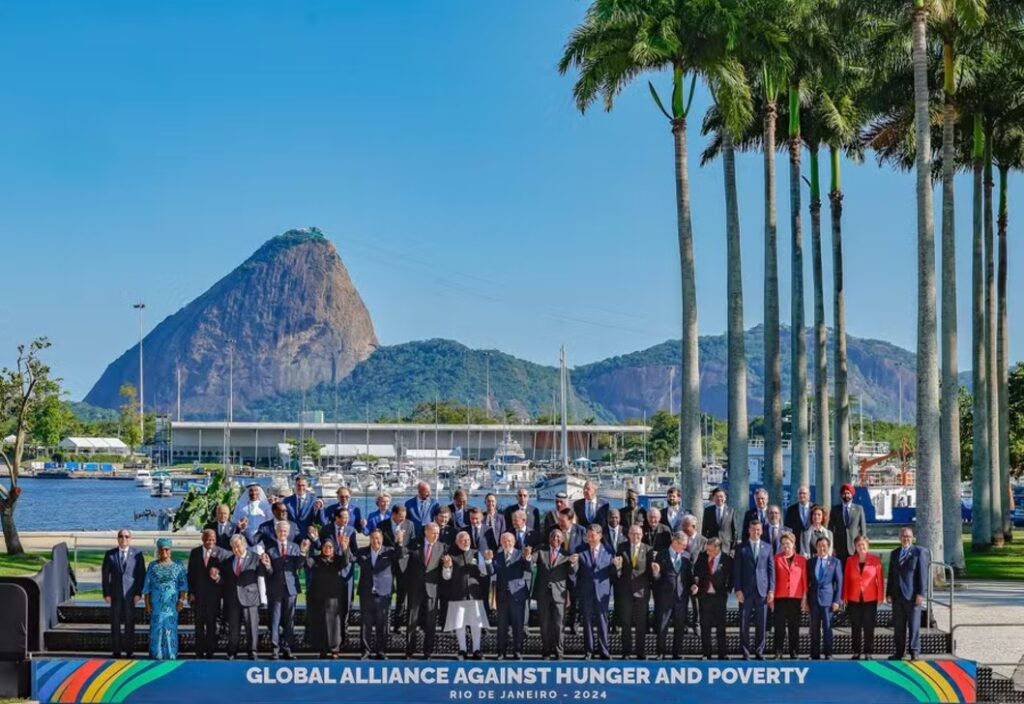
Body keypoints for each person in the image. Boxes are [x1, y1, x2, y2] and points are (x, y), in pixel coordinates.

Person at [343, 528, 405, 659]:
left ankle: (381, 651)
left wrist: (399, 542)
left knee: (382, 625)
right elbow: (351, 559)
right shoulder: (362, 552)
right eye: (373, 538)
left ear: (382, 539)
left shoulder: (389, 551)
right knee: (366, 624)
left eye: (378, 538)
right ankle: (365, 651)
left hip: (383, 594)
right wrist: (345, 547)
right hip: (366, 594)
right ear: (369, 539)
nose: (375, 541)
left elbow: (400, 555)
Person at [215, 533, 272, 660]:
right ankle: (232, 652)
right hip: (233, 599)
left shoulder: (255, 558)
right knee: (233, 628)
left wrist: (267, 565)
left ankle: (252, 651)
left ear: (245, 545)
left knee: (252, 628)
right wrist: (217, 578)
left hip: (250, 599)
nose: (236, 549)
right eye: (233, 547)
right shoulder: (229, 561)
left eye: (238, 546)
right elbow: (225, 581)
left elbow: (267, 574)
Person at [442, 531, 492, 660]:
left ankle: (476, 649)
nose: (466, 542)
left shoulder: (477, 553)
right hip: (457, 594)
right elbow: (446, 577)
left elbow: (484, 572)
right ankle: (462, 650)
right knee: (460, 623)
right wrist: (447, 567)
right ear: (457, 542)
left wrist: (487, 561)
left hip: (475, 594)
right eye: (463, 540)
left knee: (476, 623)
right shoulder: (451, 555)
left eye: (468, 539)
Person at [529, 528, 576, 660]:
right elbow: (530, 561)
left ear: (562, 539)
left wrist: (572, 564)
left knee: (559, 624)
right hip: (543, 593)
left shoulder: (567, 554)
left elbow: (572, 575)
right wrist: (527, 556)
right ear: (549, 538)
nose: (555, 539)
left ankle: (559, 652)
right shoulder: (541, 551)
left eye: (558, 537)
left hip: (559, 594)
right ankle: (546, 651)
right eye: (553, 536)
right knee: (544, 623)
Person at [403, 522, 447, 659]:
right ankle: (410, 650)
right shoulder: (414, 544)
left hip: (432, 589)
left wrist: (447, 565)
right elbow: (405, 562)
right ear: (426, 532)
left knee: (430, 622)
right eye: (434, 532)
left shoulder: (442, 547)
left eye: (438, 533)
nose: (436, 535)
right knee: (412, 620)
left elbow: (445, 570)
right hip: (415, 588)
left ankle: (428, 651)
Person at [733, 520, 775, 659]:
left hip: (762, 590)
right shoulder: (741, 548)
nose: (756, 532)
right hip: (745, 591)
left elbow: (771, 570)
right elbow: (737, 570)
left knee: (761, 622)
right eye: (753, 529)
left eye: (758, 530)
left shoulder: (768, 547)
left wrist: (771, 590)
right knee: (744, 622)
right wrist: (738, 589)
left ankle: (759, 651)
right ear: (749, 530)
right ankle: (745, 651)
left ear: (761, 531)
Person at [101, 528, 146, 658]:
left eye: (126, 536)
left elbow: (140, 575)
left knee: (129, 623)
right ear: (117, 538)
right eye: (121, 536)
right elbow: (105, 576)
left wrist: (138, 593)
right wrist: (106, 593)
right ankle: (116, 651)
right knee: (115, 623)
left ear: (130, 539)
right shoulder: (110, 555)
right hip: (115, 595)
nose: (124, 539)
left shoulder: (137, 555)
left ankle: (129, 651)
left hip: (131, 595)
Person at [187, 529, 231, 659]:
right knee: (199, 624)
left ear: (215, 539)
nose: (209, 542)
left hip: (214, 597)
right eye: (207, 539)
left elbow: (227, 578)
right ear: (202, 539)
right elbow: (190, 575)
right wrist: (191, 592)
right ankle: (199, 651)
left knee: (213, 625)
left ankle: (210, 651)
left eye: (212, 539)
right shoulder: (195, 553)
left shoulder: (223, 554)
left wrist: (217, 578)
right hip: (198, 596)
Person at [140, 538, 187, 660]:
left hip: (172, 604)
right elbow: (147, 586)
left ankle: (171, 655)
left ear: (170, 550)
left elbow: (183, 585)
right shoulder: (153, 566)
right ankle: (157, 654)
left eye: (167, 549)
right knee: (157, 628)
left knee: (170, 629)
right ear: (158, 551)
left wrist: (181, 601)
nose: (164, 552)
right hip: (156, 604)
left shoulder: (178, 565)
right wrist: (147, 603)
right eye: (161, 549)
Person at [305, 536, 352, 658]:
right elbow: (306, 563)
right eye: (325, 547)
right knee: (321, 624)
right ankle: (323, 649)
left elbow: (346, 561)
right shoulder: (316, 560)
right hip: (319, 599)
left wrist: (345, 548)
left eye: (330, 547)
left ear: (333, 549)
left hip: (334, 599)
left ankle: (335, 649)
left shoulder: (337, 560)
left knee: (334, 625)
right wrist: (304, 551)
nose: (327, 549)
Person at [266, 522, 306, 659]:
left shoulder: (295, 547)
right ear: (276, 532)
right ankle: (275, 648)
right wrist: (267, 566)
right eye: (280, 531)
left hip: (291, 588)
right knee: (275, 620)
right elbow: (269, 572)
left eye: (285, 531)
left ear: (288, 533)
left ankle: (287, 648)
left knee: (289, 620)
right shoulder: (269, 549)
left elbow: (299, 566)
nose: (282, 533)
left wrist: (303, 553)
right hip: (275, 589)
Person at [886, 527, 927, 661]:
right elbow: (891, 575)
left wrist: (921, 593)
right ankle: (899, 652)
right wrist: (889, 593)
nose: (906, 538)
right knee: (898, 626)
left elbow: (922, 574)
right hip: (897, 596)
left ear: (912, 537)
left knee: (914, 626)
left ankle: (914, 652)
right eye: (903, 536)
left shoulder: (918, 552)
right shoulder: (895, 553)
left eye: (908, 536)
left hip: (912, 596)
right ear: (900, 538)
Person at [651, 531, 694, 660]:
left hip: (681, 597)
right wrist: (656, 573)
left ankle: (677, 652)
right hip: (665, 596)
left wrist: (693, 585)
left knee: (680, 625)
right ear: (675, 542)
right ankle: (661, 652)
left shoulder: (686, 556)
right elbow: (656, 578)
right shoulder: (661, 555)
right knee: (663, 625)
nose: (685, 547)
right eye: (683, 545)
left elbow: (689, 576)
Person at [614, 524, 654, 659]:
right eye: (632, 533)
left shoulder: (648, 550)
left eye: (638, 534)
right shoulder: (621, 547)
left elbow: (651, 573)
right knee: (625, 623)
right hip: (626, 592)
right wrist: (617, 568)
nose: (635, 536)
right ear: (628, 535)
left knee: (641, 623)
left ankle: (640, 652)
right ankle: (626, 652)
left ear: (642, 535)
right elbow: (618, 570)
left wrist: (656, 573)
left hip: (642, 592)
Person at [575, 525, 614, 660]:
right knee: (587, 622)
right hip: (586, 591)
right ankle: (589, 651)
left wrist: (618, 567)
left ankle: (604, 650)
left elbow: (612, 572)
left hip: (602, 591)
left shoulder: (608, 550)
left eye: (593, 535)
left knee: (603, 622)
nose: (590, 538)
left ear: (600, 535)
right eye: (588, 535)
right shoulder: (580, 550)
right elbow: (576, 572)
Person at [843, 534, 884, 660]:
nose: (861, 547)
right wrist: (844, 596)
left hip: (870, 599)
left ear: (868, 546)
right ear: (855, 546)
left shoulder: (875, 560)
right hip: (854, 598)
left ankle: (868, 652)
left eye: (863, 545)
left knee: (868, 626)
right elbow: (846, 580)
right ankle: (856, 651)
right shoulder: (850, 560)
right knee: (855, 626)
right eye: (859, 545)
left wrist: (880, 597)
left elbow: (880, 580)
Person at [491, 532, 531, 659]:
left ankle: (517, 651)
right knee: (502, 626)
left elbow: (528, 568)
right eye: (504, 541)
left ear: (513, 542)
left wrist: (528, 558)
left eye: (509, 541)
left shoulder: (520, 554)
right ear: (501, 543)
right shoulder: (497, 556)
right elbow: (491, 572)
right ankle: (501, 652)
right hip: (502, 596)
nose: (507, 543)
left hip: (517, 596)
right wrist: (487, 561)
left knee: (518, 625)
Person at [694, 537, 732, 660]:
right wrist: (696, 585)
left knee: (721, 626)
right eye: (707, 549)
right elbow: (696, 572)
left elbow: (732, 576)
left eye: (710, 550)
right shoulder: (702, 557)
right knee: (705, 626)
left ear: (717, 549)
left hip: (719, 596)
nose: (708, 552)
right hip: (704, 596)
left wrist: (728, 589)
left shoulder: (726, 559)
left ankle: (722, 653)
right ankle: (706, 653)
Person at [772, 531, 807, 659]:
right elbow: (773, 579)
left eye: (788, 544)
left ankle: (794, 652)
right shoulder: (776, 558)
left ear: (793, 544)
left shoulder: (802, 560)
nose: (786, 547)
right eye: (783, 544)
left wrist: (804, 598)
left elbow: (804, 580)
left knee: (794, 627)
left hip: (795, 598)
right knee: (779, 627)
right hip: (780, 597)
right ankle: (778, 652)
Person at [381, 504, 415, 632]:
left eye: (404, 517)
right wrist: (394, 546)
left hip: (403, 565)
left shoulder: (409, 524)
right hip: (387, 564)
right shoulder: (383, 525)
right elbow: (380, 545)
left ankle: (398, 625)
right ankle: (385, 624)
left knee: (401, 596)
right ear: (393, 515)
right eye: (400, 517)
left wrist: (400, 545)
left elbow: (412, 544)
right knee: (387, 595)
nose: (402, 519)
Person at [807, 536, 842, 659]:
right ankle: (814, 654)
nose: (822, 548)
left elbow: (839, 582)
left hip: (828, 601)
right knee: (814, 629)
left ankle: (828, 653)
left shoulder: (835, 562)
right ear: (816, 547)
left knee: (827, 628)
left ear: (828, 547)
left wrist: (837, 601)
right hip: (813, 600)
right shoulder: (810, 562)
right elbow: (807, 582)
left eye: (824, 546)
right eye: (819, 546)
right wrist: (806, 601)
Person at [828, 483, 868, 563]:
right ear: (841, 495)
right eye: (844, 493)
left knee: (854, 571)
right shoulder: (835, 509)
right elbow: (831, 529)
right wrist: (832, 546)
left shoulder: (858, 509)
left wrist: (863, 545)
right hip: (839, 547)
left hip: (854, 547)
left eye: (848, 493)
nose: (846, 495)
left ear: (852, 494)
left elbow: (863, 529)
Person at [702, 488, 737, 555]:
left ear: (725, 498)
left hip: (726, 546)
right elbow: (704, 529)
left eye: (721, 496)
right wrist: (706, 544)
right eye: (717, 496)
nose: (719, 499)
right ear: (713, 498)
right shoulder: (708, 511)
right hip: (712, 545)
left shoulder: (731, 511)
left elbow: (734, 531)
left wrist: (733, 548)